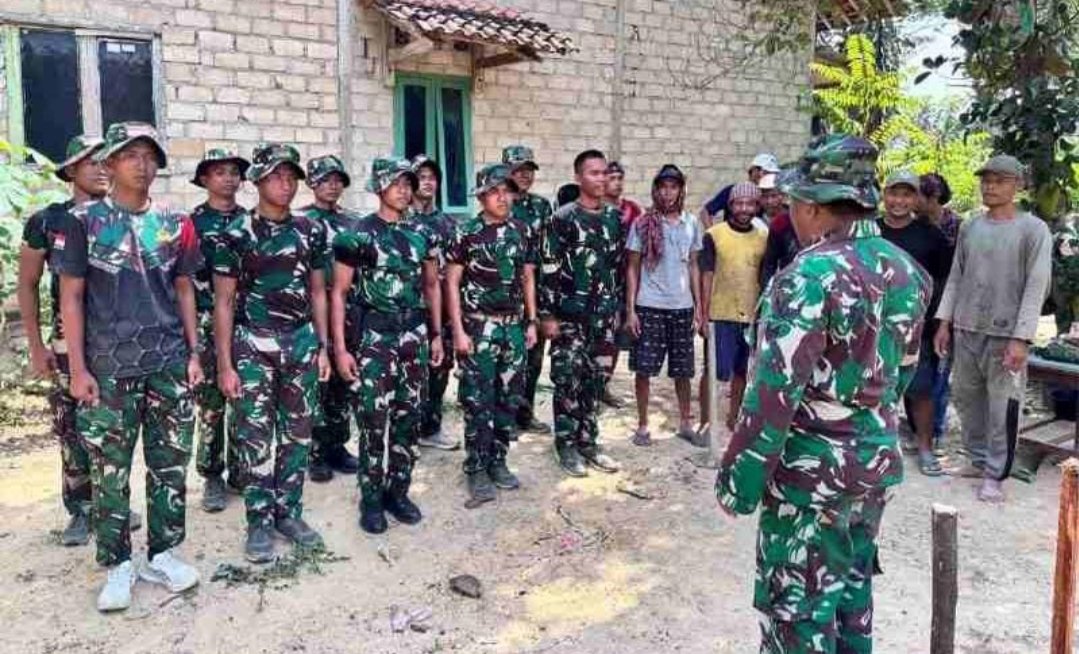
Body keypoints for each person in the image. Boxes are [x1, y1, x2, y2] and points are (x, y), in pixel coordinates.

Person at [716, 135, 931, 653]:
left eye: (792, 201)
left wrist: (738, 483)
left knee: (798, 613)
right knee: (851, 598)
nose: (788, 211)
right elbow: (902, 373)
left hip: (810, 479)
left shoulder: (807, 276)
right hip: (873, 463)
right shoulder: (906, 271)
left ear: (812, 206)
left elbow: (773, 396)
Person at [55, 122, 204, 612]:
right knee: (110, 471)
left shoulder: (175, 222)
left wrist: (194, 353)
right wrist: (78, 369)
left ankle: (163, 553)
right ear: (110, 163)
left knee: (170, 464)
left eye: (150, 156)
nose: (142, 165)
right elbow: (71, 297)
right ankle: (117, 562)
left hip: (168, 363)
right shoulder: (83, 222)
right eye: (131, 155)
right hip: (109, 367)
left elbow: (184, 289)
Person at [214, 143, 331, 562]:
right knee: (255, 434)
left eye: (291, 176)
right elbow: (223, 302)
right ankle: (259, 520)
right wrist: (225, 365)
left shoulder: (310, 230)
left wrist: (323, 347)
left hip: (300, 341)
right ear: (258, 181)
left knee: (298, 433)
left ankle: (289, 513)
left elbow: (318, 292)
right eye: (277, 176)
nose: (286, 184)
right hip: (253, 345)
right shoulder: (236, 234)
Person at [331, 157, 444, 535]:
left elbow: (431, 286)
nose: (404, 190)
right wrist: (341, 349)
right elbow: (339, 292)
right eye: (396, 183)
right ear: (379, 187)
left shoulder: (422, 234)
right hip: (374, 340)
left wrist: (436, 334)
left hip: (413, 337)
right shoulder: (357, 235)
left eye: (408, 183)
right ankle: (371, 499)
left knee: (408, 418)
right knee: (373, 421)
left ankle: (398, 492)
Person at [934, 154, 1052, 503]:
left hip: (1006, 333)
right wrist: (944, 321)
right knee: (966, 397)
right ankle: (976, 459)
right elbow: (956, 275)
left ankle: (995, 472)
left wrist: (1021, 337)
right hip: (966, 326)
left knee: (1003, 405)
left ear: (1018, 186)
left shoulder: (1034, 230)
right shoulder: (971, 226)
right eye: (986, 180)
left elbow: (1037, 284)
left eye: (1000, 181)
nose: (990, 187)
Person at [17, 135, 117, 545]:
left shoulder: (121, 218)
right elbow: (27, 284)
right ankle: (80, 509)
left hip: (113, 341)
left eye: (106, 161)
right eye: (90, 162)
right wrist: (36, 345)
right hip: (64, 342)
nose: (101, 169)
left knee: (113, 428)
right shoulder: (47, 221)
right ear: (71, 170)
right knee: (70, 425)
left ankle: (113, 504)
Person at [446, 164, 538, 505]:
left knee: (508, 399)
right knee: (477, 400)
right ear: (481, 197)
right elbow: (451, 283)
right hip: (478, 327)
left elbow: (527, 277)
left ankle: (498, 460)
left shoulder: (522, 230)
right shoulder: (466, 232)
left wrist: (531, 321)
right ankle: (476, 468)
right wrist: (458, 331)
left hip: (513, 327)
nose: (502, 198)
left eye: (507, 191)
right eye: (495, 192)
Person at [541, 149, 623, 477]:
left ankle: (588, 442)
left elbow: (616, 267)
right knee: (568, 382)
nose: (601, 179)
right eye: (594, 173)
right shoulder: (562, 218)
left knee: (594, 382)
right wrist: (548, 316)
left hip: (602, 318)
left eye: (605, 173)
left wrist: (616, 310)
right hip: (569, 319)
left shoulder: (614, 218)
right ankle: (566, 445)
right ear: (578, 177)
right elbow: (548, 268)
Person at [877, 171, 953, 476]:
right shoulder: (870, 232)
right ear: (884, 196)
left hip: (917, 326)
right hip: (874, 326)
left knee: (920, 388)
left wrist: (942, 323)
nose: (899, 201)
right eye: (893, 193)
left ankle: (924, 447)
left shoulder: (931, 236)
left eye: (907, 194)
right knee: (874, 388)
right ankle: (878, 448)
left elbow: (945, 281)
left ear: (915, 198)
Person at [625, 164, 703, 446]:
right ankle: (643, 425)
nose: (668, 193)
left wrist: (699, 307)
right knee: (643, 369)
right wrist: (631, 310)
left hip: (682, 307)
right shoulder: (642, 224)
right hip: (649, 305)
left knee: (683, 370)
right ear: (655, 190)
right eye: (663, 187)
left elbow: (693, 265)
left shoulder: (691, 223)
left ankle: (685, 423)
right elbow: (632, 267)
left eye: (673, 187)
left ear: (681, 190)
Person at [190, 147, 249, 512]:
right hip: (206, 322)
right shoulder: (191, 225)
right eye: (220, 172)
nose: (229, 179)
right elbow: (180, 281)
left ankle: (241, 471)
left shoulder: (250, 221)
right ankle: (212, 474)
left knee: (245, 398)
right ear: (204, 179)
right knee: (211, 403)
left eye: (234, 172)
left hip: (247, 321)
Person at [300, 154, 361, 483]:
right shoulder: (301, 221)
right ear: (312, 183)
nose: (333, 186)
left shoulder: (353, 221)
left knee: (343, 381)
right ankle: (316, 452)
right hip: (312, 311)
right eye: (325, 180)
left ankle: (338, 445)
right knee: (317, 383)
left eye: (338, 180)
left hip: (347, 309)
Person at [699, 182, 768, 437]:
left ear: (757, 207)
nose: (744, 209)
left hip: (750, 315)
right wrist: (703, 314)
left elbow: (764, 276)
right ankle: (706, 421)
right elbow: (707, 275)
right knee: (715, 370)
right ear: (730, 206)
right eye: (739, 203)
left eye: (750, 204)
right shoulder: (715, 235)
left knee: (742, 371)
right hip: (720, 313)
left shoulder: (763, 238)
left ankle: (733, 417)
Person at [411, 154, 460, 451]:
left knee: (440, 368)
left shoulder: (448, 223)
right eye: (421, 177)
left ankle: (431, 426)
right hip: (411, 308)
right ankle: (408, 429)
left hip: (442, 310)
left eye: (432, 177)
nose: (428, 182)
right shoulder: (402, 221)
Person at [505, 145, 554, 435]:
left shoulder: (541, 206)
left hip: (537, 291)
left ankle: (525, 414)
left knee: (534, 359)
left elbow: (549, 251)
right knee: (510, 357)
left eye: (529, 170)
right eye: (518, 170)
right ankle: (507, 417)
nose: (524, 175)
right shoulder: (499, 202)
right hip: (507, 293)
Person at [919, 172, 961, 444]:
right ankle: (921, 425)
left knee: (941, 369)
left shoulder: (958, 227)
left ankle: (935, 428)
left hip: (947, 307)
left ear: (933, 197)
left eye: (917, 195)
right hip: (921, 308)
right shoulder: (915, 225)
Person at [602, 160, 643, 409]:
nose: (616, 183)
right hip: (599, 282)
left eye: (620, 178)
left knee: (617, 337)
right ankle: (592, 385)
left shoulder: (632, 210)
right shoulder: (595, 208)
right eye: (612, 178)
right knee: (599, 336)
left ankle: (604, 384)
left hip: (625, 280)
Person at [700, 152, 780, 227]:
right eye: (767, 172)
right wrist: (713, 234)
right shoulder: (733, 191)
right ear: (754, 171)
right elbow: (705, 212)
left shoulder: (769, 197)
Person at [757, 172, 799, 290]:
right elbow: (769, 264)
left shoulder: (790, 220)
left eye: (774, 196)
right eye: (765, 197)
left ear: (783, 196)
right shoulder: (755, 220)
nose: (769, 201)